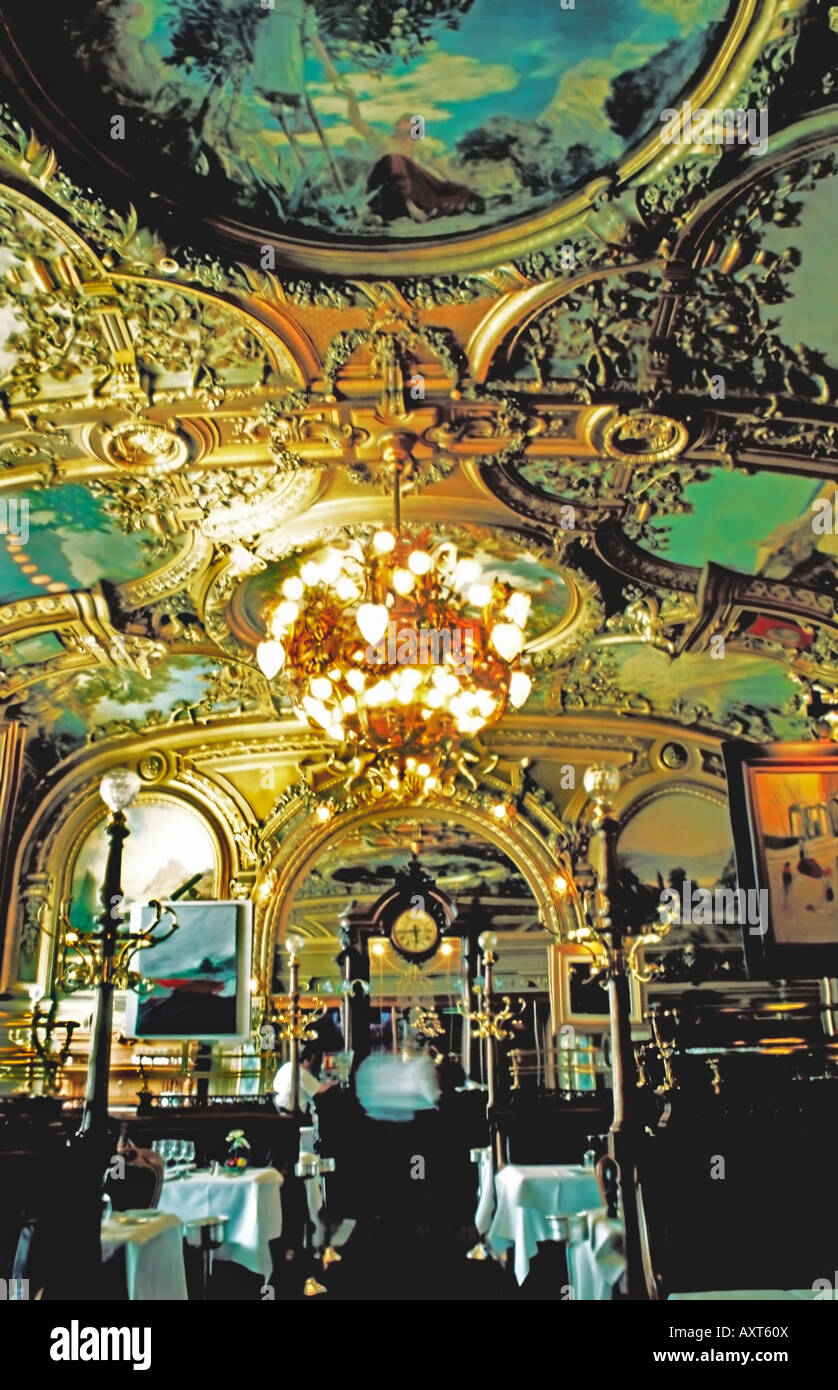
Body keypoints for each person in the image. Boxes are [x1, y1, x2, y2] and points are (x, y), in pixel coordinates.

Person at [273, 1043, 335, 1117]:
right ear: (306, 1060)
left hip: (277, 1106)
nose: (311, 1064)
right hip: (291, 1111)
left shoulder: (286, 1066)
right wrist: (333, 1082)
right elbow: (320, 1089)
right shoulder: (302, 1072)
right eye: (311, 1061)